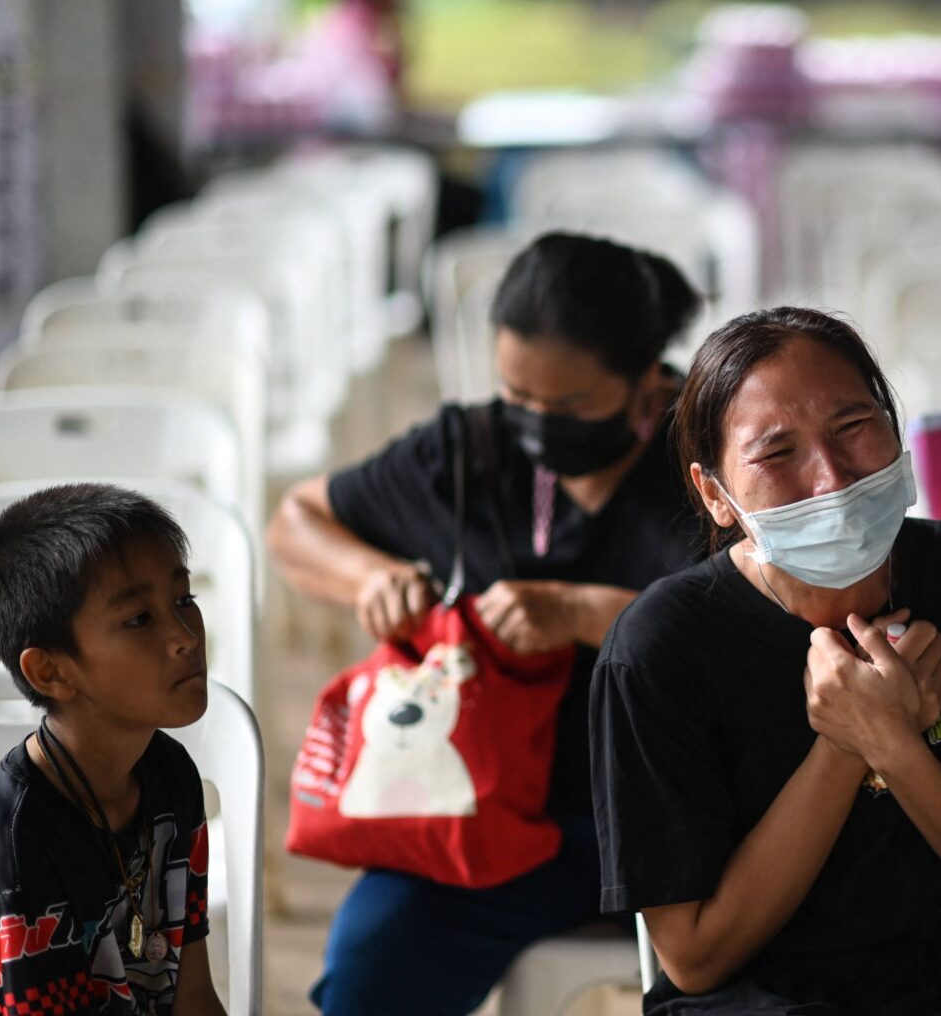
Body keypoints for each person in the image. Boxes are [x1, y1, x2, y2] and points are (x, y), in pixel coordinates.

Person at [590, 307, 941, 1016]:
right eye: (776, 454)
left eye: (852, 426)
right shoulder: (660, 650)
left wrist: (896, 750)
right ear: (715, 495)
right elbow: (694, 959)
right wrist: (846, 744)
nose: (831, 479)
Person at [268, 231, 706, 1015]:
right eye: (517, 396)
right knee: (373, 965)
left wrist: (584, 613)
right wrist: (371, 576)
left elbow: (757, 628)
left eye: (569, 407)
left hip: (678, 822)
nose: (537, 425)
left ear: (648, 381)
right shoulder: (471, 454)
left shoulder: (708, 457)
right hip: (484, 819)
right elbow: (296, 522)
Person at [0, 483, 224, 1016]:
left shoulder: (170, 774)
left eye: (184, 600)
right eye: (139, 619)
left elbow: (194, 997)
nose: (185, 636)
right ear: (51, 671)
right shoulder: (14, 849)